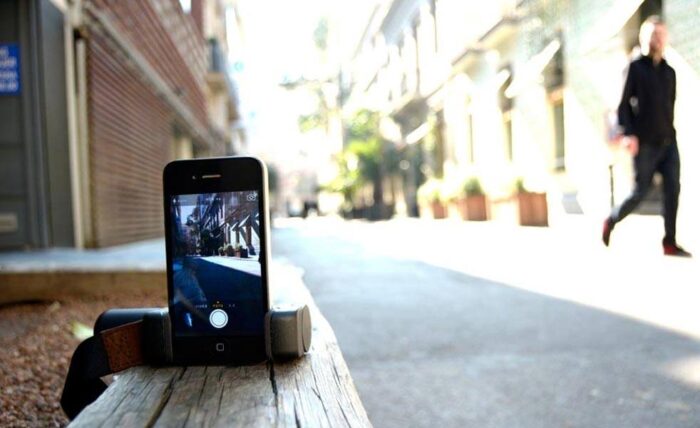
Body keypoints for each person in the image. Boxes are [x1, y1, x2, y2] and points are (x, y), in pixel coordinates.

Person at [602, 16, 691, 257]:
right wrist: (629, 135)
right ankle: (611, 219)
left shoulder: (670, 72)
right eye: (653, 34)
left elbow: (670, 106)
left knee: (673, 189)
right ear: (644, 38)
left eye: (661, 34)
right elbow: (623, 106)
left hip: (669, 142)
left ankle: (669, 242)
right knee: (640, 192)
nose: (658, 39)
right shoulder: (635, 68)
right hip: (644, 144)